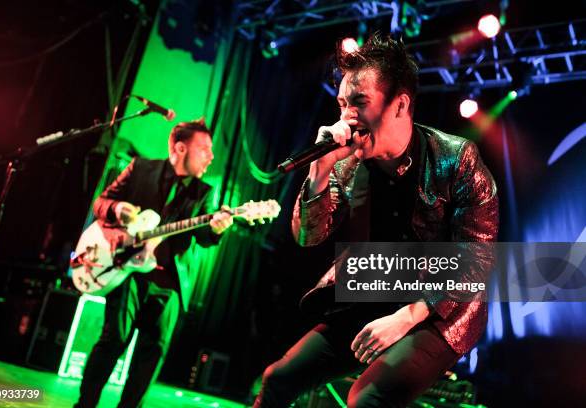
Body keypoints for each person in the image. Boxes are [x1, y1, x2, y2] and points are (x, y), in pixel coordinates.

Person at [254, 33, 499, 407]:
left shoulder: (457, 159)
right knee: (277, 379)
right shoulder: (346, 163)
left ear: (400, 105)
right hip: (371, 299)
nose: (347, 116)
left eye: (359, 102)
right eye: (341, 104)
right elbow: (307, 235)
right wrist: (320, 170)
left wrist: (406, 317)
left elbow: (476, 261)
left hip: (437, 310)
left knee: (366, 399)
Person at [74, 118, 233, 408]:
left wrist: (218, 228)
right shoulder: (140, 168)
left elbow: (206, 236)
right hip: (127, 273)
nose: (211, 156)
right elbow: (101, 203)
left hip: (168, 284)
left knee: (151, 354)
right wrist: (118, 208)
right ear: (181, 148)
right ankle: (84, 405)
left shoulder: (204, 193)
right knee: (112, 340)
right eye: (204, 149)